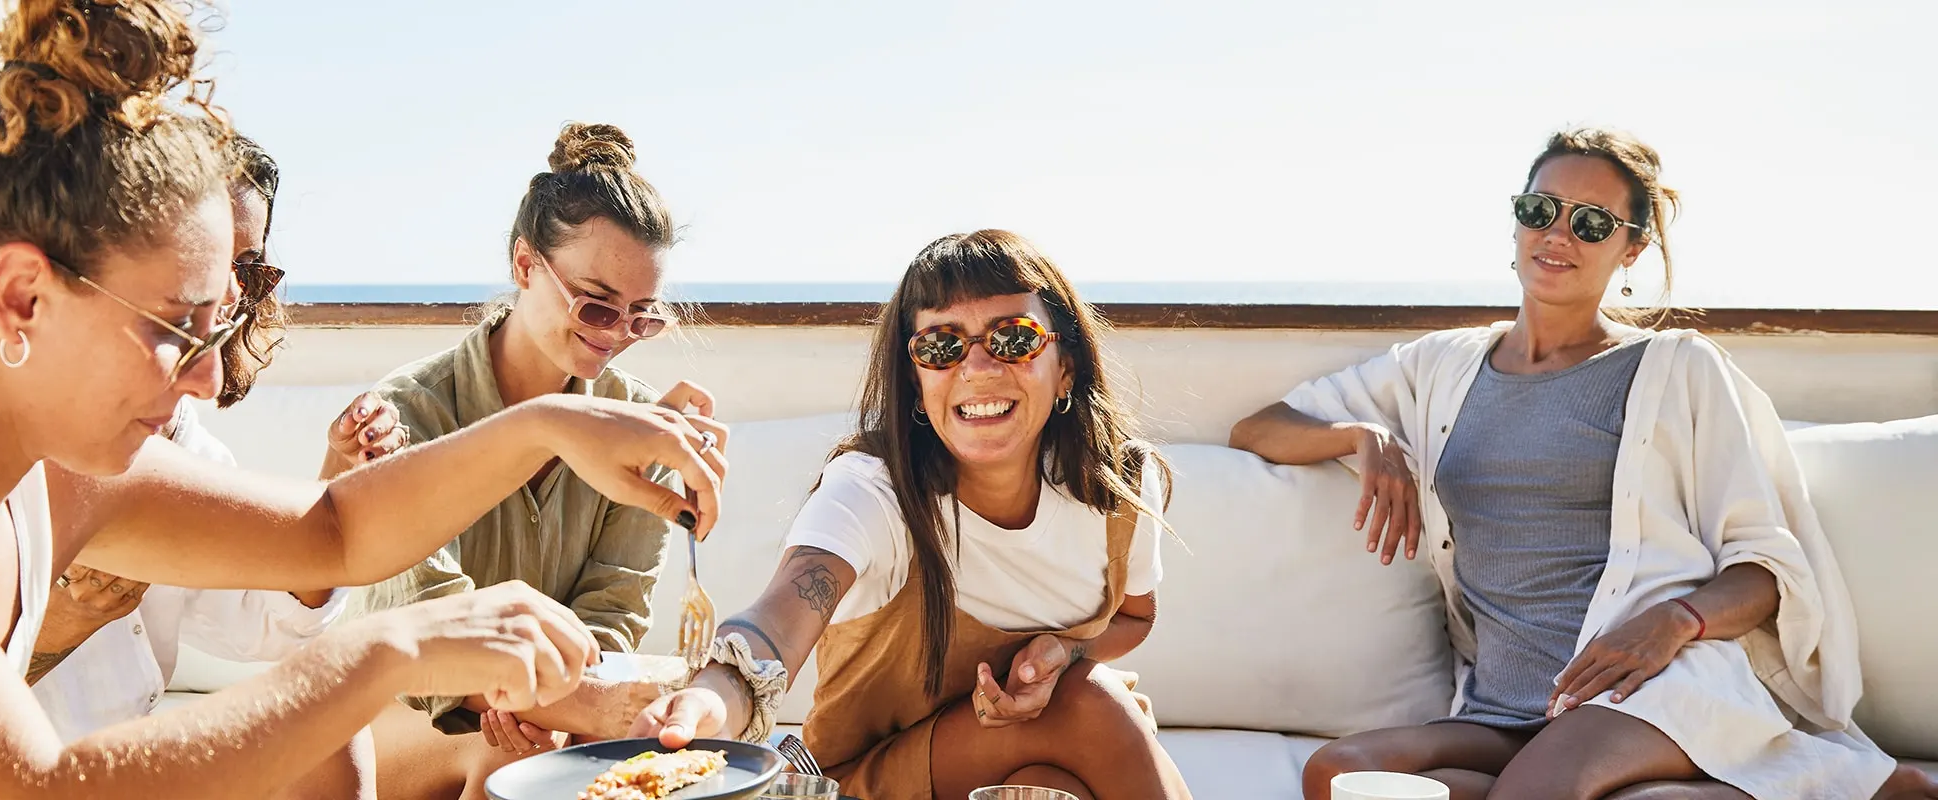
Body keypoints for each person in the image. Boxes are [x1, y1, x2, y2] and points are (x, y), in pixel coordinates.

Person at [0, 3, 727, 798]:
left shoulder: (50, 470)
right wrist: (390, 644)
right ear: (20, 297)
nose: (210, 374)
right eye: (179, 329)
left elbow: (334, 529)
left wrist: (557, 426)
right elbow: (31, 790)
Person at [1228, 128, 1930, 799]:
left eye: (1592, 222)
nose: (1558, 234)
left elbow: (1763, 570)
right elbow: (1259, 427)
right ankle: (1814, 788)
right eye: (1540, 210)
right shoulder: (1439, 367)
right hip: (1506, 707)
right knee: (1344, 776)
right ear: (1515, 226)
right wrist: (1361, 437)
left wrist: (1676, 621)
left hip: (1652, 686)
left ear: (1631, 248)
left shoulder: (1676, 369)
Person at [634, 230, 1191, 800]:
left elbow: (1133, 617)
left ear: (1065, 365)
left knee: (1042, 786)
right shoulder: (875, 491)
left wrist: (1065, 651)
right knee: (1090, 703)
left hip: (1044, 759)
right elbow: (780, 620)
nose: (976, 367)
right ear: (916, 379)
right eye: (941, 347)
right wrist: (712, 696)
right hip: (874, 780)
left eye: (1014, 338)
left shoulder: (1114, 486)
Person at [331, 121, 714, 800]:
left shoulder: (642, 422)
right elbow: (424, 622)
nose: (618, 338)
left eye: (642, 318)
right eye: (597, 307)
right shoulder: (407, 414)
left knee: (568, 761)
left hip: (553, 709)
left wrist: (556, 713)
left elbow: (614, 612)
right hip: (384, 717)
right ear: (525, 265)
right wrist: (574, 707)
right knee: (509, 762)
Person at [25, 134, 394, 799]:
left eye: (247, 269)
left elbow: (263, 623)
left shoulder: (186, 445)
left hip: (122, 769)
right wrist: (58, 629)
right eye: (208, 264)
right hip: (16, 774)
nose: (228, 298)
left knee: (327, 716)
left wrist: (339, 469)